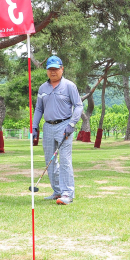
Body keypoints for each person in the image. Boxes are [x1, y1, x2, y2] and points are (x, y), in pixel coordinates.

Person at [33, 56, 83, 205]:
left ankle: (68, 194)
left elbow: (79, 106)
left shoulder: (69, 86)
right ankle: (57, 191)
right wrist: (34, 126)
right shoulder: (43, 88)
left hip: (64, 126)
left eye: (56, 69)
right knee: (50, 160)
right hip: (48, 127)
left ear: (62, 69)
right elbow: (38, 108)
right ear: (47, 71)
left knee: (65, 160)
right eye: (50, 69)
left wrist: (72, 124)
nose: (53, 72)